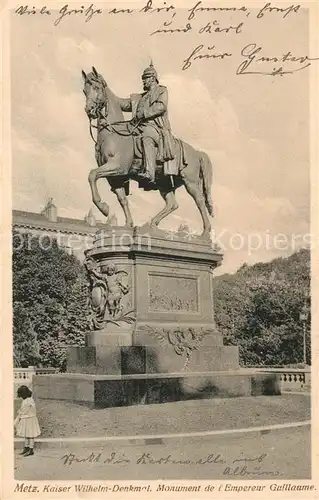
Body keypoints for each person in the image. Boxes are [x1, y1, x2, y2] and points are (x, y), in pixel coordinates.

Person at [118, 62, 176, 185]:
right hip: (140, 126)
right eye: (143, 79)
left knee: (146, 137)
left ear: (153, 78)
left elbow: (161, 106)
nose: (143, 81)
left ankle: (150, 172)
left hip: (156, 128)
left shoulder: (161, 91)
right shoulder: (141, 97)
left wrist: (143, 113)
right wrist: (109, 96)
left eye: (145, 78)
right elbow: (124, 104)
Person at [14, 385, 41, 456]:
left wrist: (17, 418)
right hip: (27, 419)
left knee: (30, 435)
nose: (21, 397)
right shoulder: (27, 400)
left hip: (30, 419)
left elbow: (23, 411)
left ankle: (31, 449)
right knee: (26, 434)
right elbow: (23, 411)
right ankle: (26, 448)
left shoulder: (28, 401)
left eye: (21, 395)